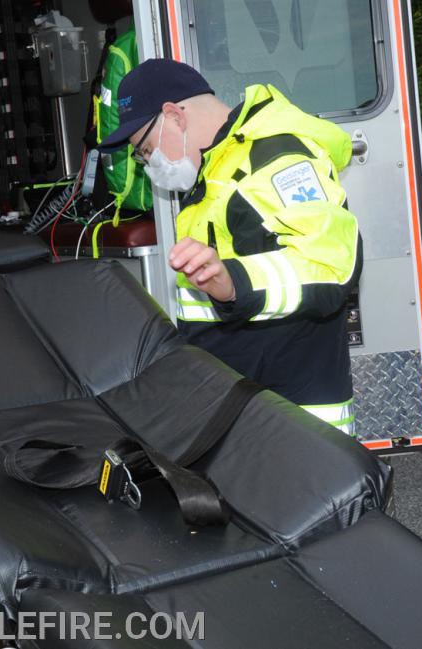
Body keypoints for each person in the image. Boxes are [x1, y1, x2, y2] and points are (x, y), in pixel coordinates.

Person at [98, 59, 361, 436]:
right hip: (244, 407)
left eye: (144, 148)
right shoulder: (215, 169)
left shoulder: (277, 160)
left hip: (294, 422)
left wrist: (234, 282)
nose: (146, 163)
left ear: (174, 116)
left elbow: (331, 267)